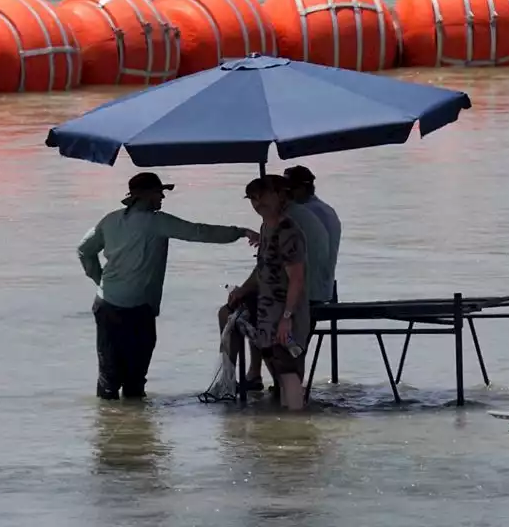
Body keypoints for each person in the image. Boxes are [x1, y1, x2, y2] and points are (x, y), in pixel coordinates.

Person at [78, 172, 257, 400]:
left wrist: (100, 279)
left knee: (108, 376)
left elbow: (84, 250)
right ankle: (137, 427)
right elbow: (199, 232)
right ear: (143, 195)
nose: (162, 196)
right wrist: (240, 232)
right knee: (135, 377)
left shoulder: (109, 220)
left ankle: (113, 425)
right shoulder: (157, 222)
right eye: (158, 192)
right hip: (138, 309)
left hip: (106, 304)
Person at [219, 171, 331, 394]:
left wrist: (287, 316)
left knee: (231, 315)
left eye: (263, 195)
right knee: (280, 360)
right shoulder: (281, 222)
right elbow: (267, 266)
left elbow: (290, 275)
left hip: (296, 299)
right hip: (311, 291)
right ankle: (253, 378)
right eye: (253, 198)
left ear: (282, 195)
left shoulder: (288, 226)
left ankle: (236, 380)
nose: (258, 203)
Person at [284, 165, 342, 295]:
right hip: (325, 287)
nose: (285, 194)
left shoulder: (301, 213)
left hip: (308, 291)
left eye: (289, 189)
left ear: (302, 189)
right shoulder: (326, 209)